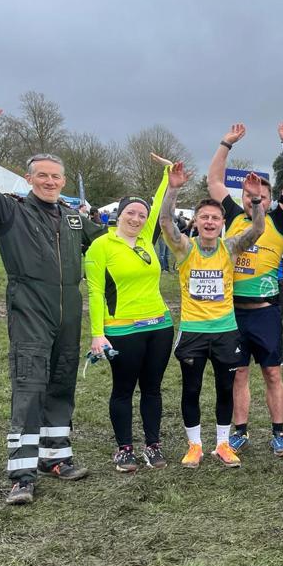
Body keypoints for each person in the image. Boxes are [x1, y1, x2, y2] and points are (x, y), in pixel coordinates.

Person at [0, 86, 105, 504]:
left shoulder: (73, 219)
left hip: (69, 314)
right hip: (30, 312)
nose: (50, 181)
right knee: (29, 387)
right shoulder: (12, 211)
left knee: (61, 384)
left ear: (64, 182)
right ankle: (22, 472)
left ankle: (56, 456)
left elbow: (109, 246)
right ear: (30, 178)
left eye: (56, 177)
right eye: (42, 176)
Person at [160, 164, 266, 468]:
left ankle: (222, 444)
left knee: (225, 388)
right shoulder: (183, 248)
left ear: (222, 223)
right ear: (196, 221)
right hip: (193, 330)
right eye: (204, 217)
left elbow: (258, 229)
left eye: (215, 218)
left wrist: (256, 200)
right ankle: (194, 445)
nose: (209, 222)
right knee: (191, 388)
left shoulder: (230, 247)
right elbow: (166, 220)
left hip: (225, 331)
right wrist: (174, 188)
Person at [207, 121, 283, 457]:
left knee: (273, 374)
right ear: (241, 196)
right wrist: (226, 143)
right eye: (248, 193)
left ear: (269, 198)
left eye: (260, 194)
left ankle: (278, 434)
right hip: (232, 312)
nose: (254, 197)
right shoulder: (231, 215)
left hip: (266, 312)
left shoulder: (278, 220)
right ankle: (241, 432)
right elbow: (214, 181)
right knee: (239, 375)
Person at [84, 159, 176, 472]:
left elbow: (161, 202)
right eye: (130, 213)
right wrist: (98, 333)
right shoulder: (101, 246)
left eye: (141, 214)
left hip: (160, 325)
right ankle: (124, 448)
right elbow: (95, 293)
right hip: (122, 329)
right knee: (123, 389)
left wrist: (168, 176)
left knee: (152, 388)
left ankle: (153, 445)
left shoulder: (147, 241)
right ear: (118, 215)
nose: (136, 219)